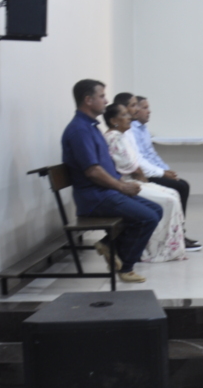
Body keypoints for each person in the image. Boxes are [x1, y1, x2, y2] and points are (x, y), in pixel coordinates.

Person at [61, 80, 161, 284]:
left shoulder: (90, 126)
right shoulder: (80, 130)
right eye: (102, 96)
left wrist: (121, 185)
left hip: (107, 192)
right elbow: (92, 171)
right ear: (88, 100)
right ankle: (126, 267)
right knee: (148, 218)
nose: (106, 101)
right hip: (95, 197)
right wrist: (122, 186)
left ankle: (109, 245)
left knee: (156, 210)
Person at [102, 103, 187, 262]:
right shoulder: (113, 137)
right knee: (169, 200)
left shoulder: (121, 135)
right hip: (126, 183)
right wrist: (141, 176)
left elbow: (135, 160)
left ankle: (168, 246)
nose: (129, 117)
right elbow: (127, 164)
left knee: (174, 193)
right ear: (113, 120)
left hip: (132, 180)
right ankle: (154, 249)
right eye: (124, 115)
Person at [121, 93, 201, 251]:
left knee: (181, 184)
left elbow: (151, 154)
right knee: (179, 188)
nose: (147, 111)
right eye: (141, 107)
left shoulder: (141, 129)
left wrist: (165, 169)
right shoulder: (130, 130)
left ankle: (178, 233)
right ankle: (176, 236)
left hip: (147, 172)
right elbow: (138, 161)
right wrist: (161, 173)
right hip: (139, 176)